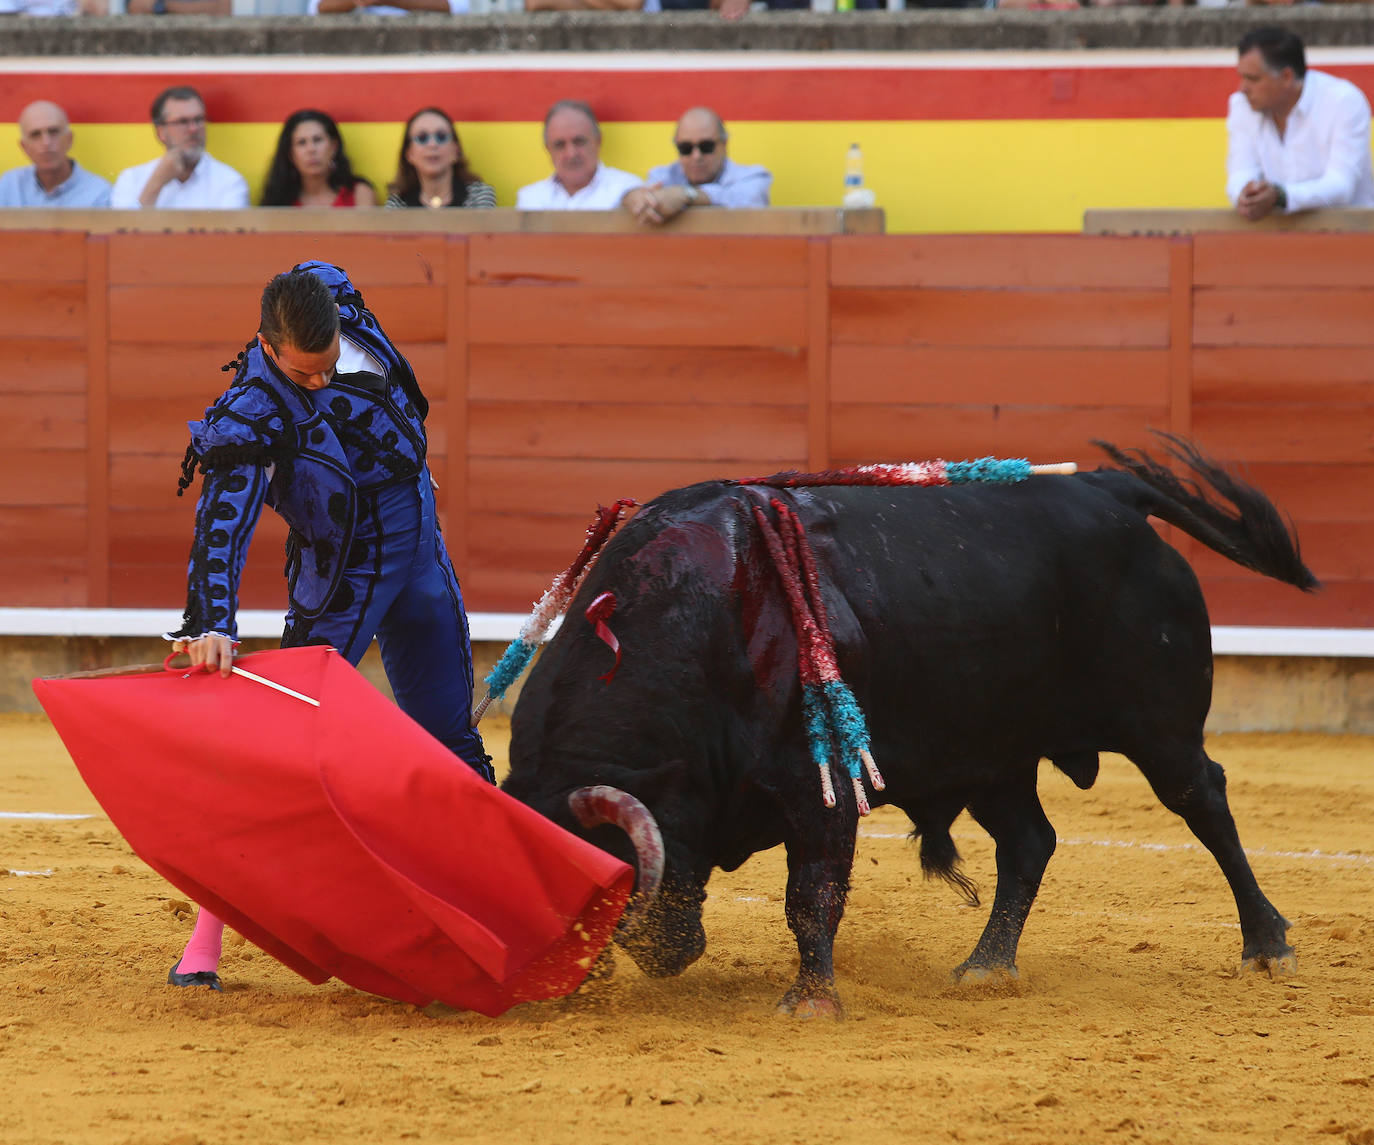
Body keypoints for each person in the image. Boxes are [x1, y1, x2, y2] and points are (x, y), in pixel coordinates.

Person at [164, 262, 493, 990]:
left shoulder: (334, 298)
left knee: (451, 740)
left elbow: (396, 394)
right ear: (268, 347)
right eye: (303, 374)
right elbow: (225, 520)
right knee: (278, 751)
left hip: (419, 548)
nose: (318, 382)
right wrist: (212, 619)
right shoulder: (254, 406)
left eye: (327, 367)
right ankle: (204, 945)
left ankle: (492, 909)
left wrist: (410, 461)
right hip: (341, 573)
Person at [1226, 25, 1374, 222]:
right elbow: (1240, 173)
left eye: (1253, 79)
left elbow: (1341, 186)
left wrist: (1280, 197)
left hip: (1349, 237)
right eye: (1242, 77)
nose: (1243, 88)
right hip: (1276, 237)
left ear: (1286, 77)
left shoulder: (1343, 101)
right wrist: (1245, 195)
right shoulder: (1241, 105)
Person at [622, 107, 771, 227]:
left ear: (725, 144)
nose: (696, 156)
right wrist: (636, 198)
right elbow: (646, 196)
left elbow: (745, 199)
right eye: (686, 148)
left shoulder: (753, 177)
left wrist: (686, 195)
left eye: (706, 146)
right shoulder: (664, 176)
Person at [110, 86, 250, 210]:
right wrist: (156, 184)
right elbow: (123, 235)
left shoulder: (229, 181)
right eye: (182, 122)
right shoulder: (131, 179)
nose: (193, 129)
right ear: (161, 132)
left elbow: (229, 238)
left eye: (199, 120)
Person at [516, 100, 642, 211]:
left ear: (598, 141)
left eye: (579, 142)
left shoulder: (628, 189)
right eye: (560, 145)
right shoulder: (530, 199)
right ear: (548, 149)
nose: (571, 154)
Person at [0, 100, 111, 209]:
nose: (46, 142)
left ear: (69, 139)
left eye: (53, 132)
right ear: (24, 147)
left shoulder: (100, 194)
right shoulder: (9, 186)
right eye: (35, 135)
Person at [260, 109, 376, 208]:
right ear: (290, 154)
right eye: (301, 142)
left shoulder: (358, 193)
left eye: (317, 140)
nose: (311, 149)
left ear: (334, 146)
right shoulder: (278, 200)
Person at [385, 108, 495, 209]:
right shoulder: (397, 204)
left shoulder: (478, 195)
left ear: (456, 151)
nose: (432, 144)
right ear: (409, 154)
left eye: (441, 137)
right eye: (422, 138)